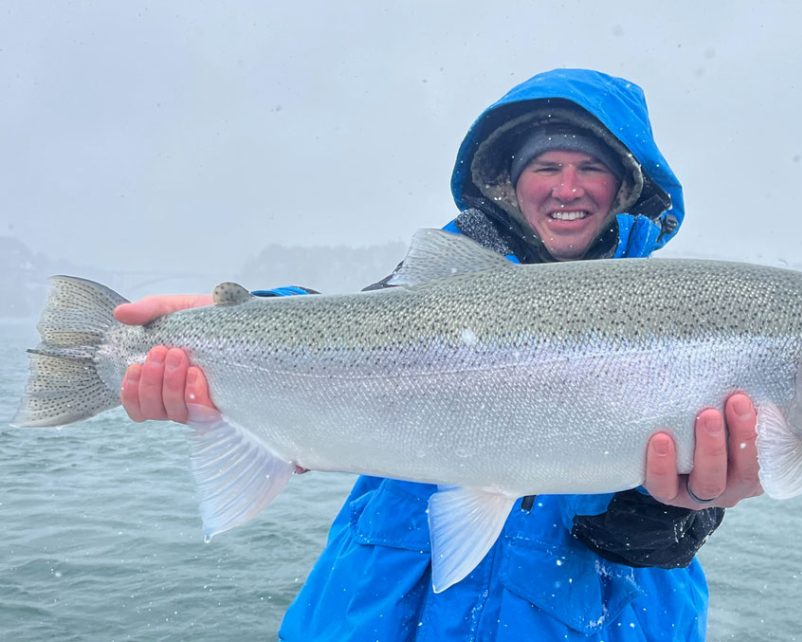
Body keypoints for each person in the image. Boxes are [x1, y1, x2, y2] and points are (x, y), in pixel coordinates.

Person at [116, 68, 762, 641]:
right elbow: (356, 323)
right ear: (511, 183)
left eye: (591, 168)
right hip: (375, 615)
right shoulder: (443, 283)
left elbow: (645, 543)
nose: (569, 187)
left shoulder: (683, 317)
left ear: (624, 187)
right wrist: (235, 321)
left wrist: (675, 508)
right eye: (546, 167)